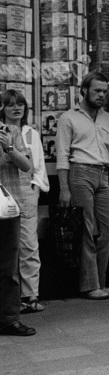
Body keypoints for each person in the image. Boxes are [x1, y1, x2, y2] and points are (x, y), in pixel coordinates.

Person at [55, 72, 109, 300]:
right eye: (97, 91)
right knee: (86, 231)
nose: (102, 95)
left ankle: (99, 281)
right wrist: (64, 188)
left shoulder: (108, 118)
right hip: (79, 172)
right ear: (84, 90)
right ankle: (90, 286)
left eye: (104, 91)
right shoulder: (68, 118)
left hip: (102, 175)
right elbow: (62, 154)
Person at [1, 90, 48, 313]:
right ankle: (12, 299)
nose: (15, 108)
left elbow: (35, 166)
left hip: (26, 192)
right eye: (10, 105)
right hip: (5, 194)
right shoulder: (3, 132)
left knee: (29, 245)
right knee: (9, 248)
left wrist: (36, 188)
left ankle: (31, 295)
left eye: (19, 104)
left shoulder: (29, 133)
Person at [0, 97, 35, 336]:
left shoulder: (11, 130)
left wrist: (9, 148)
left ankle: (9, 318)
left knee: (8, 265)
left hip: (7, 204)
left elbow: (27, 166)